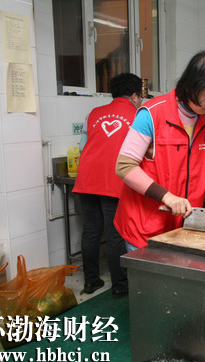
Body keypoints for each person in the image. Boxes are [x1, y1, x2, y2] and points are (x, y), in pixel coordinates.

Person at [113, 51, 205, 251]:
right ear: (192, 86)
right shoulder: (152, 114)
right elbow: (124, 166)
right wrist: (168, 197)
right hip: (145, 226)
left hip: (184, 226)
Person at [72, 73, 142, 298]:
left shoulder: (93, 114)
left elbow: (83, 148)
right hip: (113, 181)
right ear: (134, 95)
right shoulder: (138, 115)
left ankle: (91, 281)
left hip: (86, 179)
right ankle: (120, 285)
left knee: (91, 230)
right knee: (115, 234)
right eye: (140, 96)